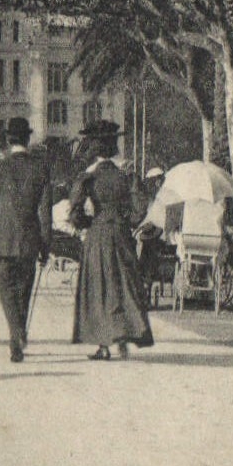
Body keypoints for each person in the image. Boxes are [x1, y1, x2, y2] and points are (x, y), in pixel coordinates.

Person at [68, 122, 154, 359]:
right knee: (123, 284)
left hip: (98, 235)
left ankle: (103, 345)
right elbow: (140, 208)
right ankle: (123, 333)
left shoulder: (88, 177)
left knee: (98, 287)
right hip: (121, 234)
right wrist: (127, 221)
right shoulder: (126, 175)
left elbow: (74, 213)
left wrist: (88, 222)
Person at [0, 116, 53, 362]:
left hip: (3, 241)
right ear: (28, 139)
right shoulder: (40, 169)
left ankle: (17, 332)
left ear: (9, 140)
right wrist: (45, 244)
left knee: (5, 288)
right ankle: (16, 339)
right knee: (23, 291)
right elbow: (45, 213)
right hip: (29, 241)